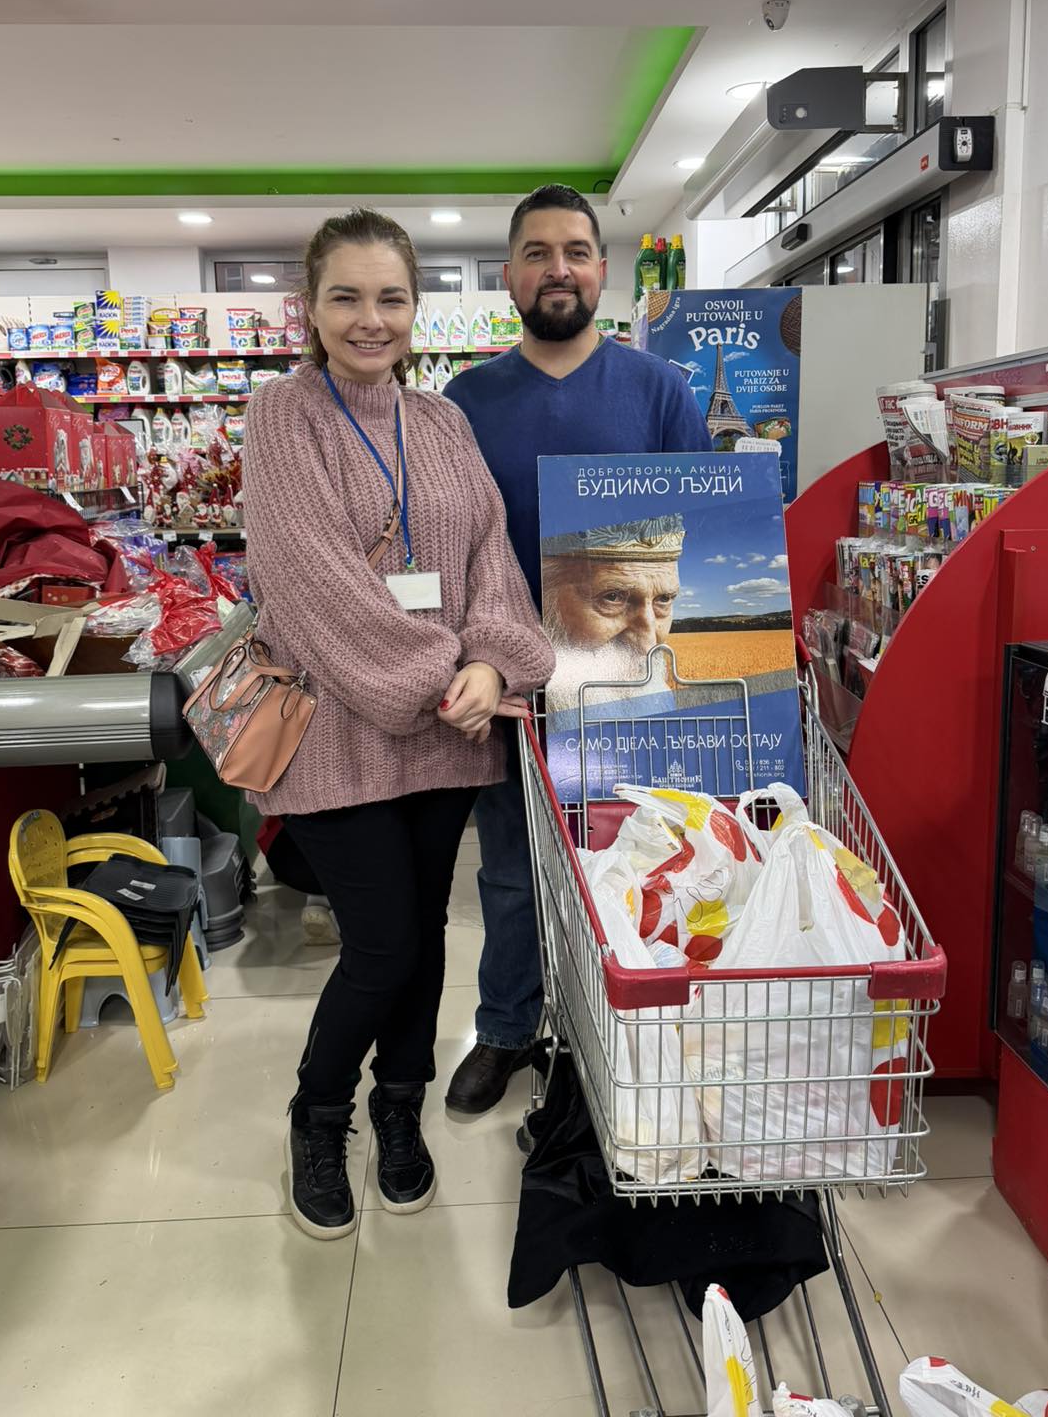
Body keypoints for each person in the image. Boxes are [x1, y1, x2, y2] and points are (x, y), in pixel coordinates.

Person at [244, 209, 553, 1240]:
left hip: (444, 734)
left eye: (390, 297)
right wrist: (441, 674)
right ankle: (317, 1115)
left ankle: (398, 1107)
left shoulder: (442, 422)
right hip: (337, 733)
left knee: (423, 943)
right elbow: (308, 581)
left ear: (416, 307)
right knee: (380, 946)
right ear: (311, 307)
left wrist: (491, 660)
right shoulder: (282, 415)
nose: (369, 319)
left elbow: (490, 558)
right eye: (346, 297)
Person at [443, 184, 712, 1114]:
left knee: (636, 856)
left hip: (629, 684)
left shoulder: (658, 389)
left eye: (576, 251)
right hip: (512, 686)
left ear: (602, 269)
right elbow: (446, 547)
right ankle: (506, 1028)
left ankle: (637, 1019)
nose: (557, 269)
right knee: (510, 872)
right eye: (537, 252)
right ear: (509, 274)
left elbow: (703, 529)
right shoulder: (464, 402)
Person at [540, 514, 686, 710]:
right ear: (542, 597)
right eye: (613, 597)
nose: (648, 645)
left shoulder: (662, 699)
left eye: (664, 599)